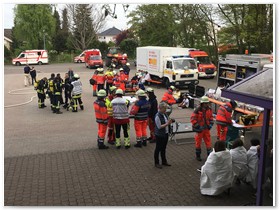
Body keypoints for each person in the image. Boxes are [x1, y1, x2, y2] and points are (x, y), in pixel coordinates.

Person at [190, 96, 214, 161]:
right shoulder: (197, 110)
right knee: (198, 142)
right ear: (202, 103)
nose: (206, 104)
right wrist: (198, 126)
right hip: (200, 130)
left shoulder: (209, 109)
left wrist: (211, 124)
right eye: (205, 103)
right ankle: (198, 156)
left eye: (207, 103)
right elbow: (193, 119)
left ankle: (209, 156)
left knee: (208, 142)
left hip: (206, 129)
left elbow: (211, 118)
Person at [154, 102, 173, 169]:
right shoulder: (157, 116)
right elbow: (159, 126)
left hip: (165, 133)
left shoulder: (164, 114)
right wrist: (167, 123)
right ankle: (156, 162)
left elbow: (167, 120)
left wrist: (170, 121)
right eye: (164, 108)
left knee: (163, 148)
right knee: (158, 148)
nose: (165, 110)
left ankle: (164, 161)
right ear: (160, 108)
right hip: (159, 135)